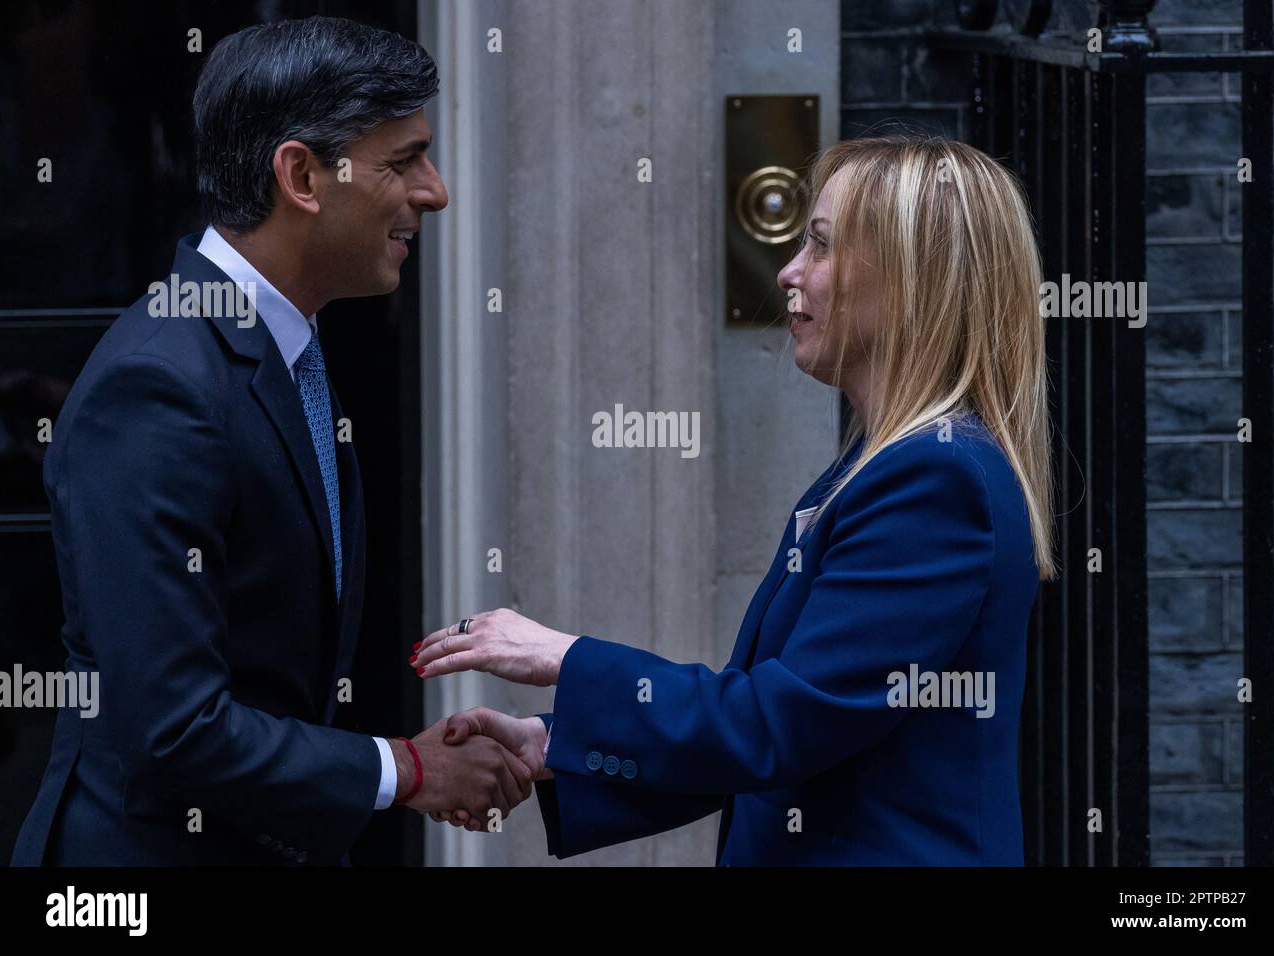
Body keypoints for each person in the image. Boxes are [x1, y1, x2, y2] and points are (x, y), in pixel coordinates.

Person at [411, 134, 1057, 865]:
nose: (789, 272)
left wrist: (566, 656)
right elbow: (776, 738)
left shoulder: (934, 482)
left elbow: (776, 728)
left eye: (820, 246)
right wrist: (552, 743)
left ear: (912, 282)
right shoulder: (891, 466)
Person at [12, 16, 530, 867]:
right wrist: (403, 769)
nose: (434, 192)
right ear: (301, 176)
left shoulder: (284, 351)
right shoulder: (160, 386)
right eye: (403, 161)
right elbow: (173, 729)